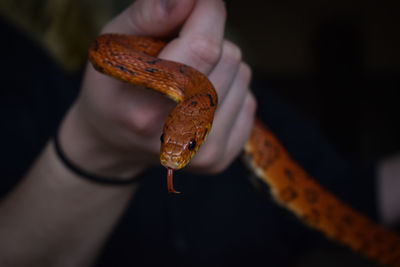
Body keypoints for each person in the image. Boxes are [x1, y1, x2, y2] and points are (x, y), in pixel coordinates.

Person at [0, 0, 397, 266]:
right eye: (168, 143)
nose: (172, 155)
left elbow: (344, 193)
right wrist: (97, 149)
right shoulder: (21, 66)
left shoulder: (238, 89)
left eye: (186, 145)